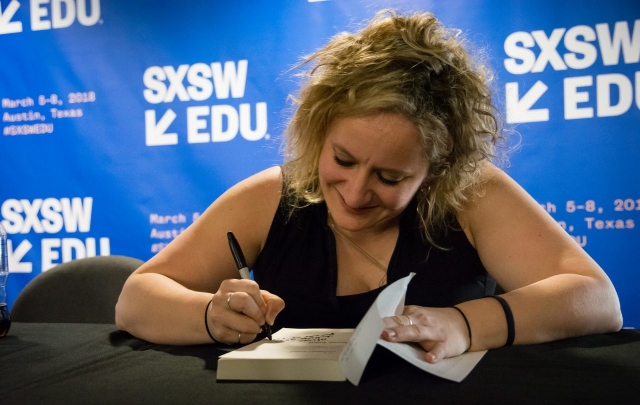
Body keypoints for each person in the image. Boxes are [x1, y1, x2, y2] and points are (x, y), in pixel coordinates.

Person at [115, 10, 622, 363]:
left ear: (438, 169)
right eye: (342, 159)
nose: (355, 194)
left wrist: (464, 325)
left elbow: (597, 300)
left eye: (390, 177)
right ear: (319, 133)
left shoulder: (471, 194)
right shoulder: (270, 197)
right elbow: (136, 299)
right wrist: (208, 316)